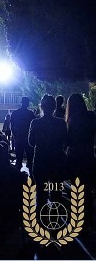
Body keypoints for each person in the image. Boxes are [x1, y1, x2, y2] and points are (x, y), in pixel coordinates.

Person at [28, 94, 67, 209]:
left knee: (41, 193)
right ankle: (57, 218)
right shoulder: (61, 123)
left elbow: (31, 142)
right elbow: (66, 140)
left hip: (40, 160)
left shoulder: (35, 123)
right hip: (57, 160)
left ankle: (41, 218)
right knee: (56, 192)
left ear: (42, 107)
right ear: (54, 107)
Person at [65, 93, 96, 228]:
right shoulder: (91, 117)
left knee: (76, 189)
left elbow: (68, 141)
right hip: (88, 155)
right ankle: (89, 216)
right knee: (87, 187)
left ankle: (78, 217)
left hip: (75, 156)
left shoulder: (72, 120)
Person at [10, 96, 35, 169]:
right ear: (27, 103)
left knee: (19, 160)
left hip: (19, 138)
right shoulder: (30, 114)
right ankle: (32, 178)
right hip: (28, 139)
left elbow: (12, 126)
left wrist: (15, 136)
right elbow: (33, 127)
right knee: (30, 160)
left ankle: (17, 178)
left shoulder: (15, 113)